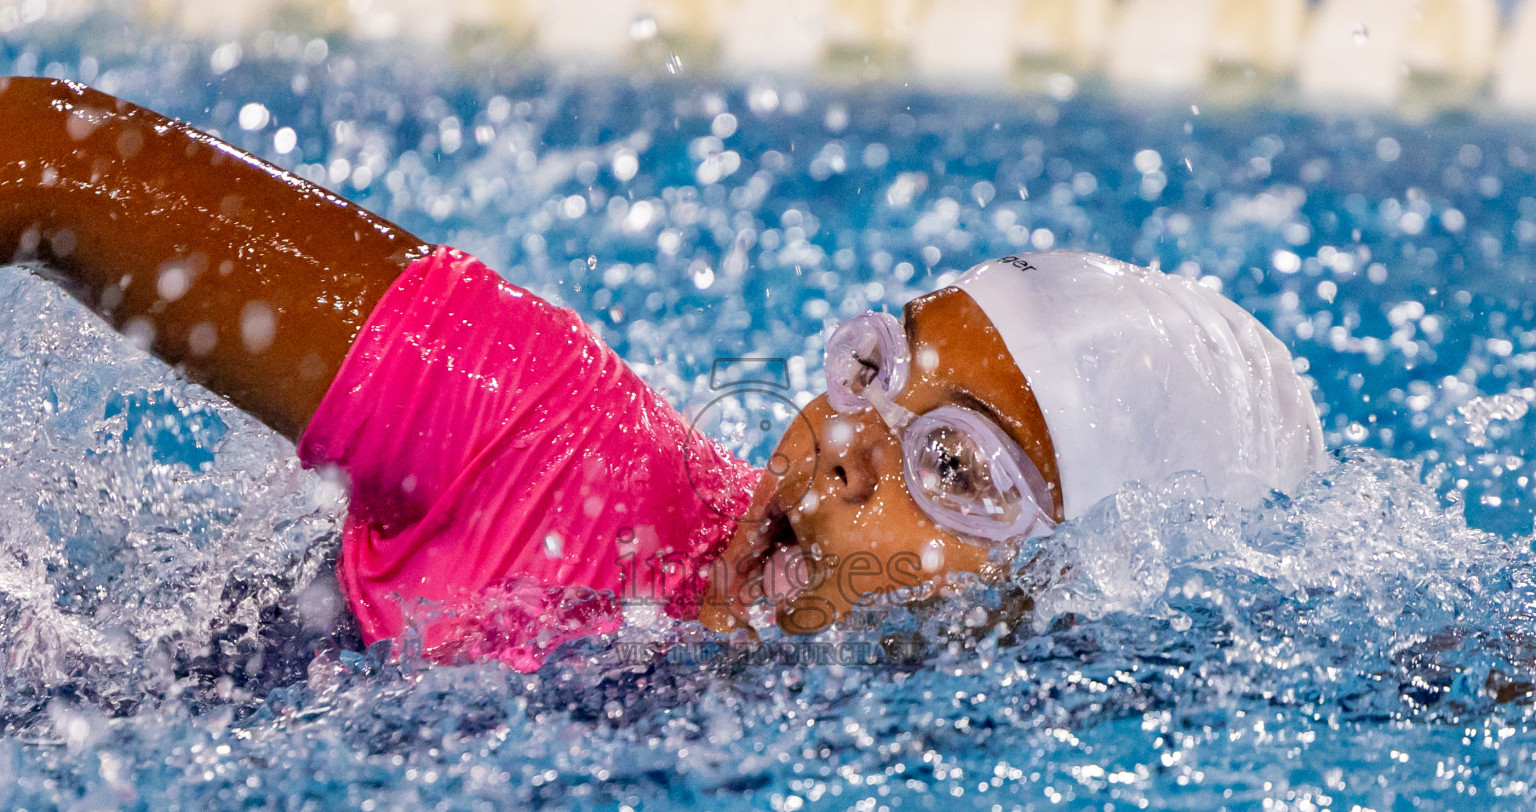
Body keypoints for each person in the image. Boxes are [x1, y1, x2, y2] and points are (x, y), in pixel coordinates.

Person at [0, 77, 1326, 669]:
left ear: (1057, 590)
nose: (848, 447)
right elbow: (41, 156)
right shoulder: (543, 436)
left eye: (958, 467)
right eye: (876, 370)